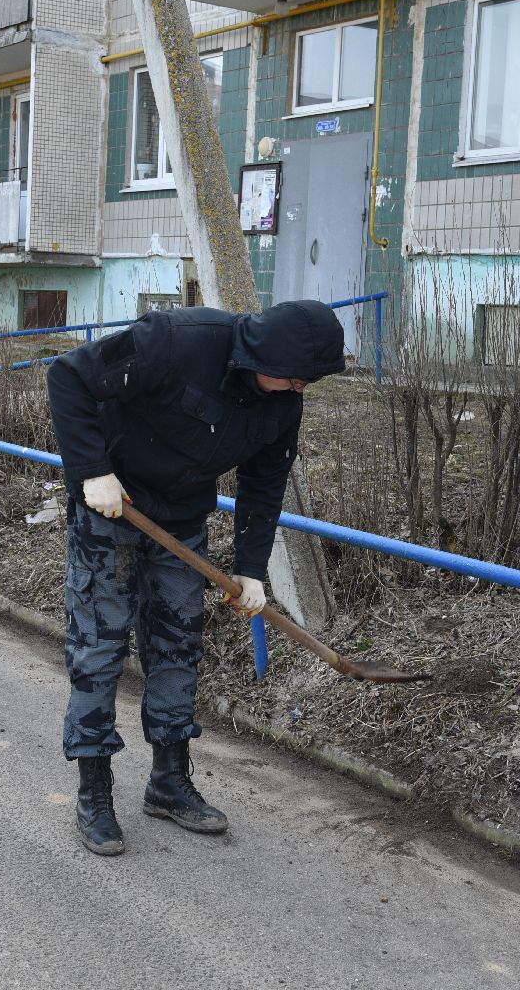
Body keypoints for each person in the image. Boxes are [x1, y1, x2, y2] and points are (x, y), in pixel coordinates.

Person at [46, 299, 347, 856]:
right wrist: (92, 471)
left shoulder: (284, 396)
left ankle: (169, 782)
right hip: (114, 509)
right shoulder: (175, 339)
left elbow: (265, 480)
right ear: (264, 355)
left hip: (181, 522)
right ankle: (94, 792)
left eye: (309, 381)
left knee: (177, 647)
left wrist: (251, 569)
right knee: (100, 649)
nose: (301, 389)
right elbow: (67, 377)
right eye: (297, 377)